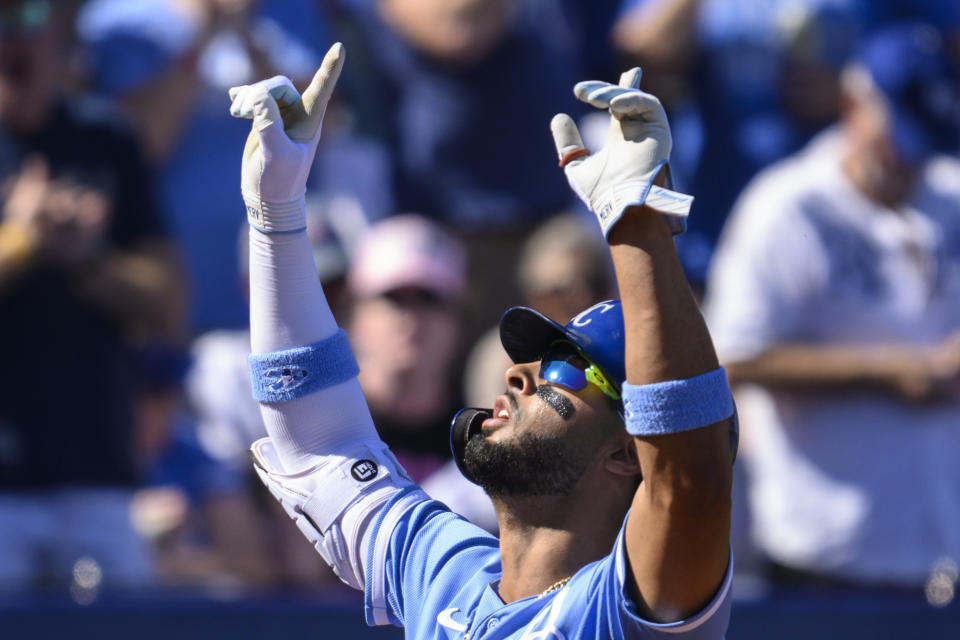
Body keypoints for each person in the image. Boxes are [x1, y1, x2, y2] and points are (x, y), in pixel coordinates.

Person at [228, 42, 735, 637]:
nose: (519, 375)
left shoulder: (628, 608)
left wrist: (635, 224)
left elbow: (688, 478)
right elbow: (321, 447)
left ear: (629, 451)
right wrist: (276, 212)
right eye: (534, 362)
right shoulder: (445, 573)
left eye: (568, 371)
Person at [705, 24, 960, 589]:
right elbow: (730, 357)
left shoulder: (949, 191)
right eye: (898, 139)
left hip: (944, 547)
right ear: (851, 104)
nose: (907, 164)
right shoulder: (787, 207)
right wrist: (888, 371)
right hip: (826, 554)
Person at [0, 0, 183, 590]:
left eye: (27, 17)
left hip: (97, 476)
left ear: (61, 34)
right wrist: (24, 242)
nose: (12, 39)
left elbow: (168, 299)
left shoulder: (104, 138)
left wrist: (88, 259)